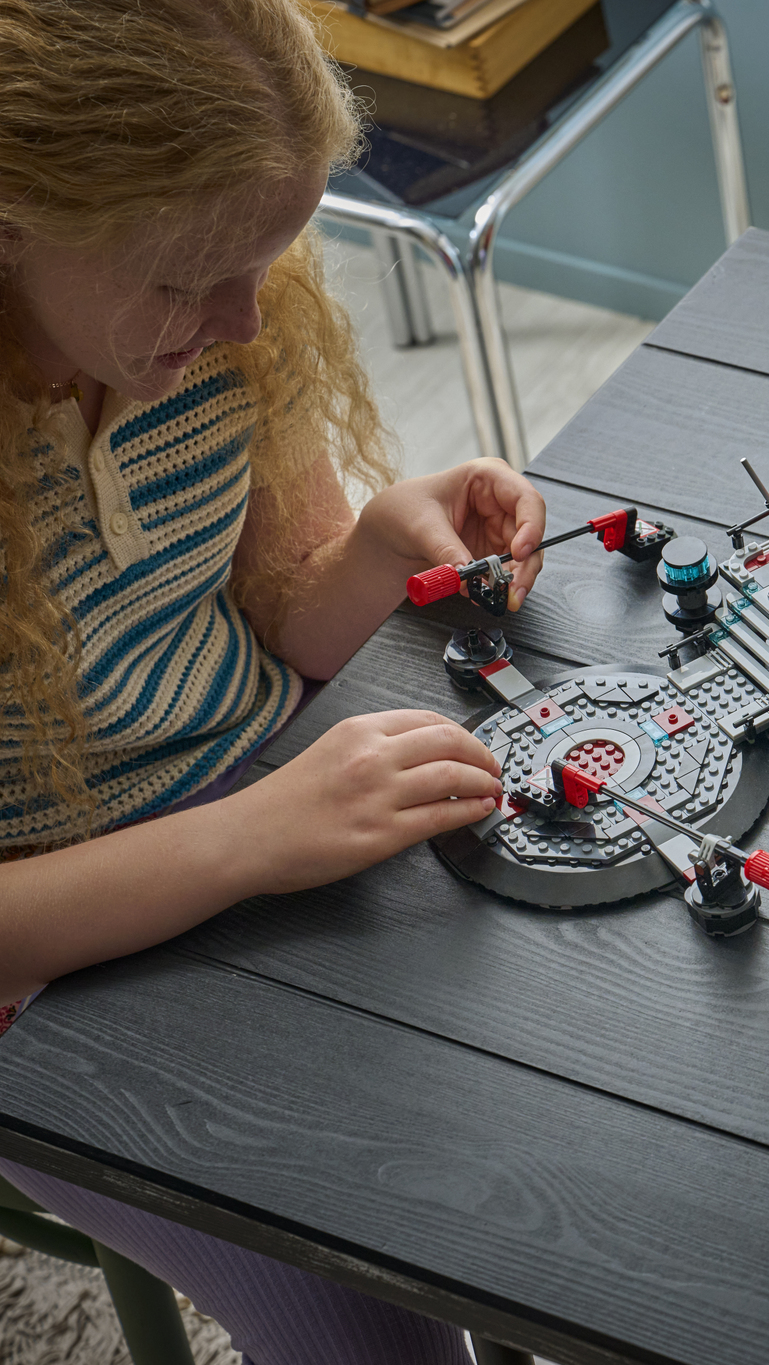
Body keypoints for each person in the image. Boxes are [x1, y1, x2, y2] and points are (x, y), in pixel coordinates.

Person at [0, 3, 550, 1359]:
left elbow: (287, 618)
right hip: (45, 975)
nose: (244, 319)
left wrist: (375, 549)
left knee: (551, 1099)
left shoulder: (232, 318)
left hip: (273, 786)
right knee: (371, 1299)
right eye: (189, 277)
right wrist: (249, 838)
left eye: (266, 259)